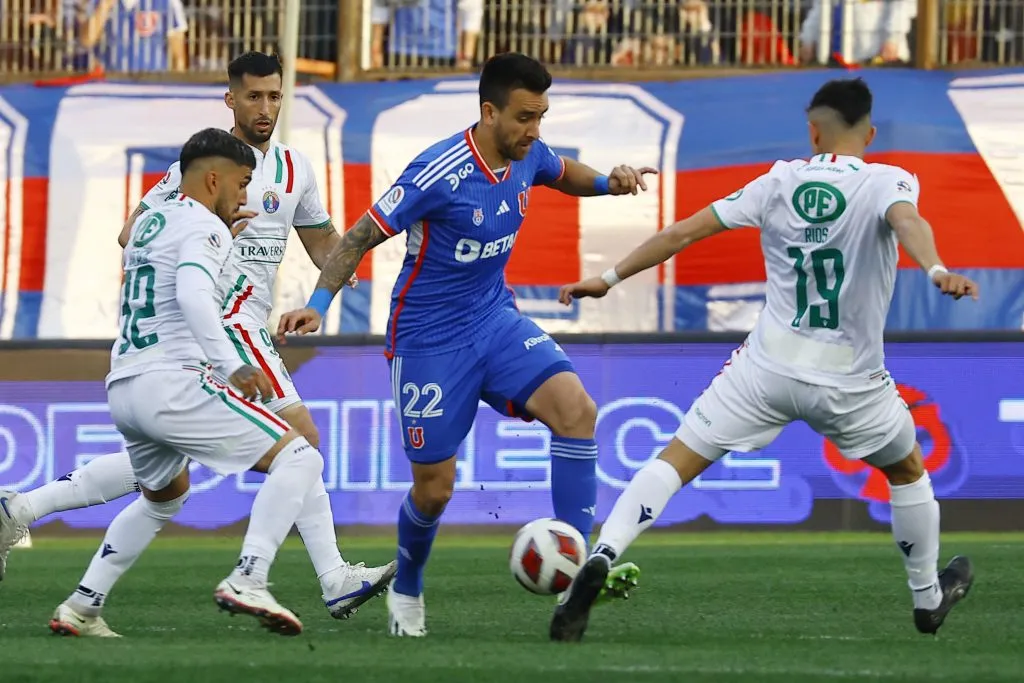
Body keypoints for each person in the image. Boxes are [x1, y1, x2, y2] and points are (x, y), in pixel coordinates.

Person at [549, 77, 977, 643]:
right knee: (906, 470)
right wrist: (936, 268)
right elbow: (907, 221)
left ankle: (602, 552)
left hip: (767, 367)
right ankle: (927, 598)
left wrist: (606, 279)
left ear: (812, 129)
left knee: (676, 461)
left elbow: (682, 232)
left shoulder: (778, 180)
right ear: (869, 133)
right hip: (850, 379)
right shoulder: (886, 180)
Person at [0, 51, 394, 621]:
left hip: (228, 329)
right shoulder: (204, 165)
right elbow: (131, 232)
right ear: (230, 99)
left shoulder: (295, 169)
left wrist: (334, 276)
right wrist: (207, 221)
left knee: (164, 481)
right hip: (224, 322)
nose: (265, 108)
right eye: (254, 96)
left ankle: (24, 510)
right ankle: (324, 576)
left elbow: (322, 241)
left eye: (275, 97)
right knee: (300, 441)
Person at [276, 52, 655, 637]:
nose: (535, 130)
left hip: (495, 320)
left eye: (542, 116)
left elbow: (563, 171)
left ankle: (576, 572)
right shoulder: (438, 172)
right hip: (428, 341)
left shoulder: (529, 154)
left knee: (577, 411)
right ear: (489, 111)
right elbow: (358, 236)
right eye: (525, 117)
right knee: (434, 489)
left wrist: (608, 182)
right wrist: (319, 306)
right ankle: (407, 585)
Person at [47, 128, 324, 637]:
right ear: (213, 178)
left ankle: (82, 606)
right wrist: (231, 364)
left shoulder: (152, 220)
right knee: (301, 454)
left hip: (126, 382)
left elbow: (178, 281)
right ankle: (249, 577)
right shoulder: (205, 227)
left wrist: (222, 241)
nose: (245, 198)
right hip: (173, 381)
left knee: (165, 496)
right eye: (241, 184)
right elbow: (195, 297)